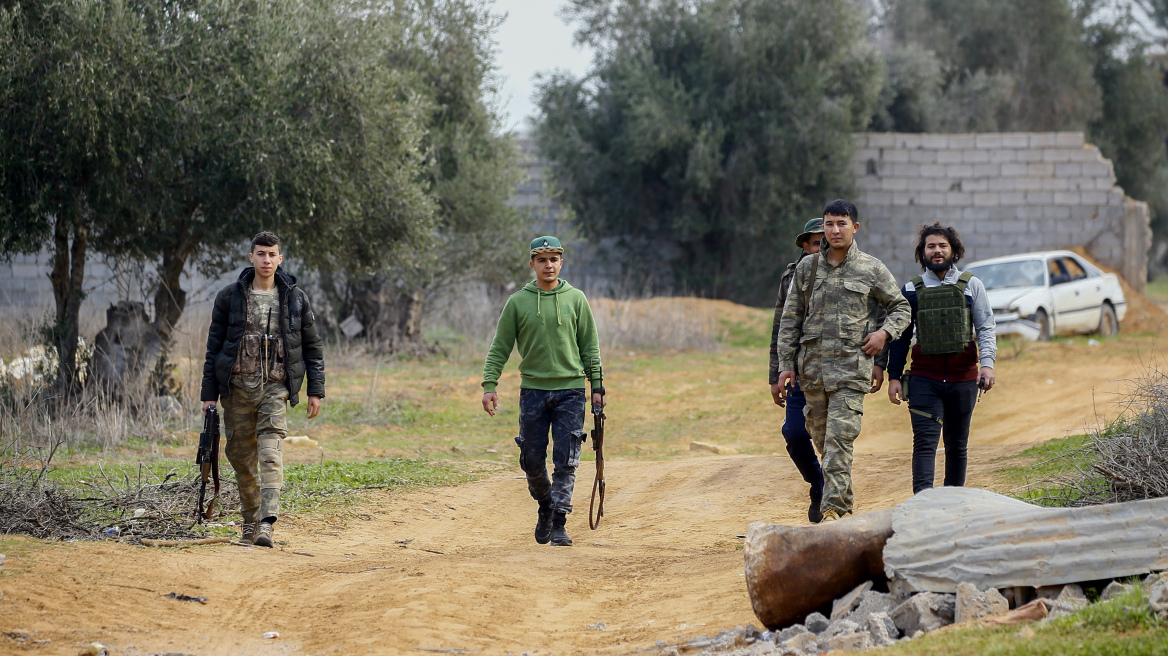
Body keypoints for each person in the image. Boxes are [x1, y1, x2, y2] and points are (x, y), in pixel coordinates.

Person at [775, 200, 910, 522]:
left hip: (851, 372)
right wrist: (785, 365)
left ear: (855, 227)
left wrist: (884, 334)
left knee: (839, 441)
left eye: (841, 223)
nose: (835, 230)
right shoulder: (806, 269)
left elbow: (901, 308)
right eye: (829, 224)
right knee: (825, 443)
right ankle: (841, 507)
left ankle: (834, 512)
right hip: (812, 374)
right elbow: (790, 319)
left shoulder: (871, 268)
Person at [200, 232, 325, 548]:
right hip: (237, 390)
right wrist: (208, 395)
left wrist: (316, 390)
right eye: (260, 254)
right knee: (242, 461)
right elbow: (214, 348)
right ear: (251, 257)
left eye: (272, 254)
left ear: (280, 259)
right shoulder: (229, 297)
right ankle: (250, 523)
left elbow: (312, 346)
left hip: (275, 389)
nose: (266, 260)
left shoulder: (295, 298)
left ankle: (267, 524)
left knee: (270, 454)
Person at [481, 236, 604, 547]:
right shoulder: (517, 302)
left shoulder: (576, 299)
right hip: (533, 392)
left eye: (553, 259)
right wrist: (490, 385)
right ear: (532, 264)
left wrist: (597, 387)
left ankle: (560, 523)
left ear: (561, 263)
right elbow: (500, 347)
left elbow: (590, 347)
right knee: (532, 460)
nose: (548, 265)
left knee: (567, 459)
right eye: (542, 260)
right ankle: (546, 504)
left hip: (571, 391)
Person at [886, 223, 996, 493]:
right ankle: (923, 503)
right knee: (924, 444)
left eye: (942, 246)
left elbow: (985, 327)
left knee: (957, 445)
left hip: (963, 379)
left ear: (953, 250)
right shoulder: (910, 289)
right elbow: (900, 337)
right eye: (931, 246)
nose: (937, 251)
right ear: (922, 252)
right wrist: (894, 377)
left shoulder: (972, 285)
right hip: (925, 379)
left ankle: (953, 503)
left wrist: (987, 365)